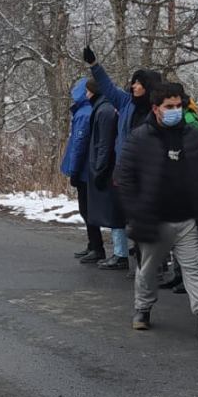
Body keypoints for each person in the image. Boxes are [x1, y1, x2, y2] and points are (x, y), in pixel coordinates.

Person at [114, 82, 198, 340]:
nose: (175, 111)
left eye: (179, 106)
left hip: (187, 218)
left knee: (195, 269)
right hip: (155, 219)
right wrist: (135, 211)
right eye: (169, 107)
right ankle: (142, 309)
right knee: (148, 271)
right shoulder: (140, 137)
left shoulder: (192, 135)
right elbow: (124, 178)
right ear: (156, 108)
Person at [82, 45, 162, 269]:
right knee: (128, 217)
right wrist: (94, 65)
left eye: (137, 82)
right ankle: (138, 259)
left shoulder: (157, 110)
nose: (133, 85)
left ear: (147, 86)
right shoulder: (126, 102)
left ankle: (157, 261)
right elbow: (107, 87)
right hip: (124, 171)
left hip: (146, 174)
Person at [62, 78, 104, 263]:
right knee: (87, 208)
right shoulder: (90, 110)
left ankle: (96, 247)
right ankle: (92, 245)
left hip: (85, 170)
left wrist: (73, 170)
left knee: (86, 209)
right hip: (89, 168)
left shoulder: (83, 114)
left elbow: (79, 145)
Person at [83, 76, 125, 263]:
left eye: (88, 90)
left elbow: (104, 144)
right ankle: (119, 251)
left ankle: (120, 253)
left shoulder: (104, 110)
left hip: (106, 169)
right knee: (113, 211)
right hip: (106, 167)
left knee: (114, 213)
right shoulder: (103, 108)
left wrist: (99, 169)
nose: (86, 94)